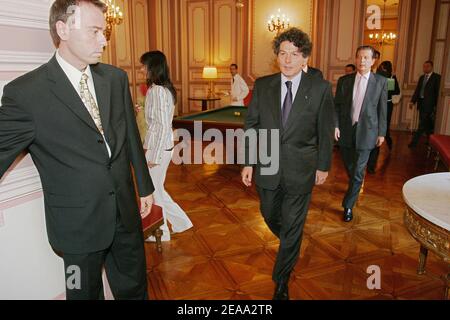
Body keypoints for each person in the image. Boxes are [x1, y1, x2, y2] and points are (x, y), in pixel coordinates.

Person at [0, 0, 154, 300]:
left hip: (126, 212)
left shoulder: (115, 79)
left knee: (136, 290)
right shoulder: (25, 94)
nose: (104, 40)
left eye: (104, 31)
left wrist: (145, 187)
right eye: (95, 31)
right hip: (78, 228)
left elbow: (131, 137)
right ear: (63, 29)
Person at [241, 27, 334, 300]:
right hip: (267, 163)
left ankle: (280, 281)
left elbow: (326, 129)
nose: (288, 59)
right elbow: (252, 125)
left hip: (301, 168)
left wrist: (323, 165)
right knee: (269, 212)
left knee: (293, 223)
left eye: (294, 54)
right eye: (283, 53)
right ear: (277, 56)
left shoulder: (320, 88)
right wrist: (248, 162)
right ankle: (292, 241)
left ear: (304, 56)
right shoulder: (263, 85)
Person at [140, 51, 193, 242]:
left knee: (153, 191)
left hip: (159, 149)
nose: (141, 69)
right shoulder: (161, 89)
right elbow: (158, 121)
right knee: (158, 189)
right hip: (162, 146)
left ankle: (161, 233)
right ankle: (181, 222)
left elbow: (161, 125)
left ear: (153, 67)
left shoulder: (157, 91)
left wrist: (152, 155)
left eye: (144, 66)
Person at [334, 45, 387, 222]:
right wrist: (335, 125)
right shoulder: (345, 81)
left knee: (358, 170)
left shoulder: (380, 82)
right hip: (347, 131)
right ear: (356, 59)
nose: (362, 61)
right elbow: (337, 106)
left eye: (366, 58)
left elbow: (382, 110)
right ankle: (354, 186)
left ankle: (348, 206)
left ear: (373, 61)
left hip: (368, 131)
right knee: (350, 166)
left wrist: (382, 133)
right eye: (359, 57)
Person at [366, 61, 400, 173]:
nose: (382, 69)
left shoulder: (391, 78)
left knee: (383, 130)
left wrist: (389, 81)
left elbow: (393, 91)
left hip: (386, 105)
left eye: (384, 68)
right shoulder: (375, 76)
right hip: (373, 107)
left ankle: (387, 141)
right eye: (382, 67)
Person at [408, 60, 441, 148]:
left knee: (421, 125)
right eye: (424, 66)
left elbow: (438, 93)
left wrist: (436, 106)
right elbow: (418, 90)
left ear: (431, 67)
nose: (425, 68)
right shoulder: (422, 77)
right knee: (427, 125)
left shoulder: (437, 77)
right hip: (421, 103)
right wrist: (412, 101)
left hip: (430, 105)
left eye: (427, 66)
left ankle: (414, 143)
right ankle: (430, 142)